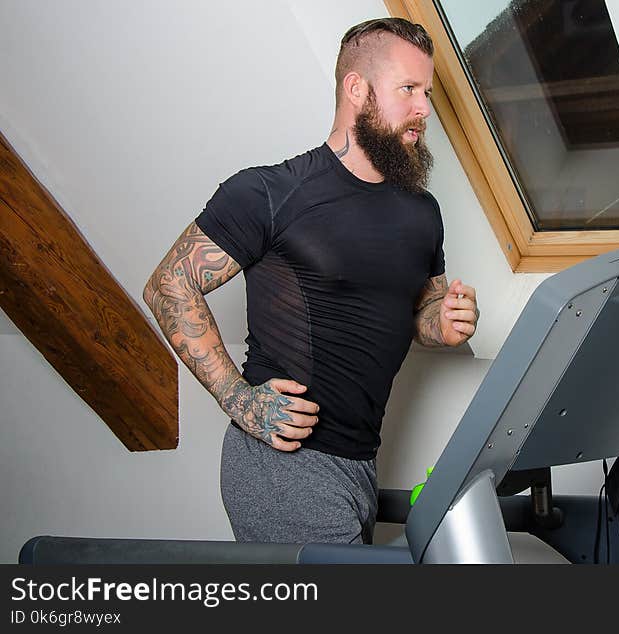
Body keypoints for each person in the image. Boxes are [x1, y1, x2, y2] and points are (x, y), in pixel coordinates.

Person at [142, 17, 479, 545]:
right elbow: (169, 285)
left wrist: (446, 322)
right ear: (356, 89)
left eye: (427, 92)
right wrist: (238, 398)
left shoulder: (421, 211)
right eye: (408, 90)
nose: (423, 110)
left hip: (361, 463)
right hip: (284, 464)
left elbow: (420, 312)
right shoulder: (271, 192)